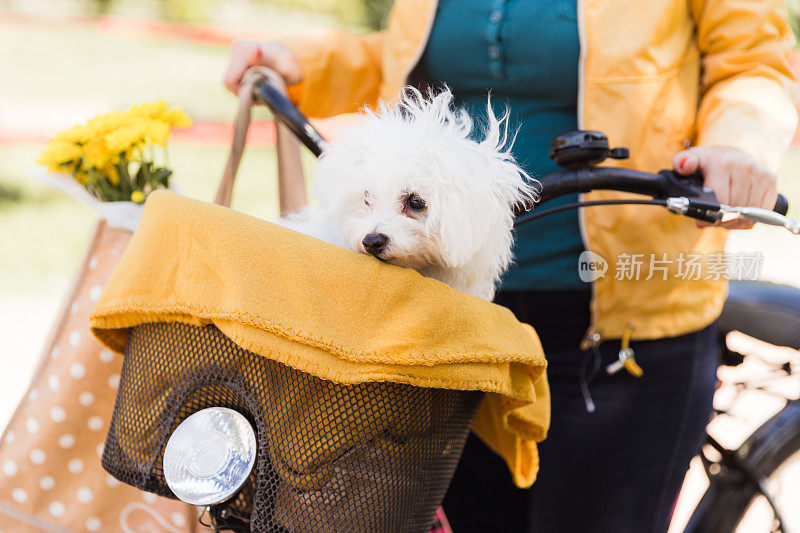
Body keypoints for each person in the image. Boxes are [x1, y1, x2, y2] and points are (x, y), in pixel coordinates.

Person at [223, 1, 797, 531]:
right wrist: (305, 62)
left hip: (622, 322)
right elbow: (404, 54)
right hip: (448, 323)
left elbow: (753, 61)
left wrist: (740, 146)